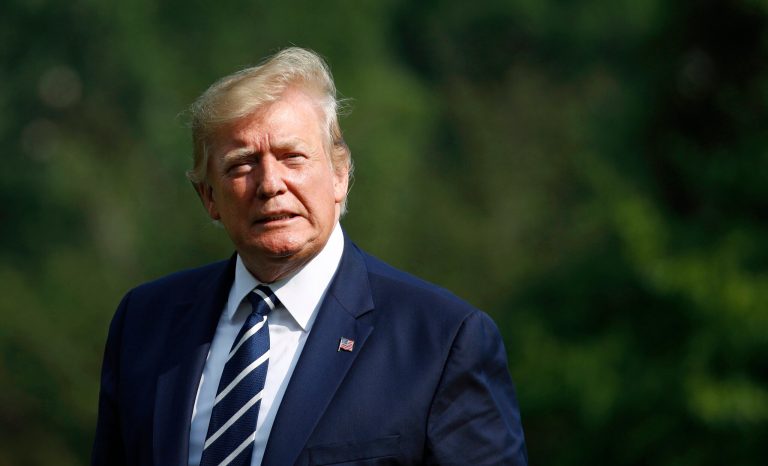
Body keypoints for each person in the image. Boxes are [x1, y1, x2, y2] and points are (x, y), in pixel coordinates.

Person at [92, 47, 527, 466]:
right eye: (242, 164)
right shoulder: (145, 323)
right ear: (209, 197)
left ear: (340, 175)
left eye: (291, 157)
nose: (270, 184)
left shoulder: (441, 340)